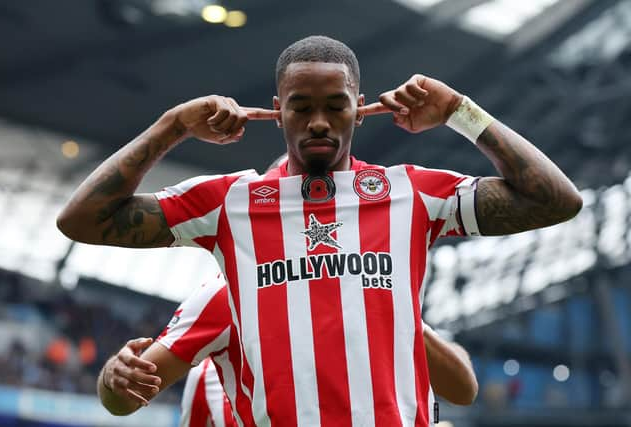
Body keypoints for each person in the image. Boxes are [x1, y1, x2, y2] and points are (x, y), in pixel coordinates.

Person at [59, 35, 581, 425]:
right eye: (301, 106)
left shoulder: (413, 194)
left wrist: (457, 112)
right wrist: (172, 124)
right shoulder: (230, 202)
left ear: (360, 108)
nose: (318, 122)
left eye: (335, 106)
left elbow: (555, 200)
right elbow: (82, 220)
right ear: (277, 110)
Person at [97, 273, 477, 426]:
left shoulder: (374, 292)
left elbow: (464, 390)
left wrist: (397, 312)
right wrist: (116, 372)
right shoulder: (227, 297)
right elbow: (121, 400)